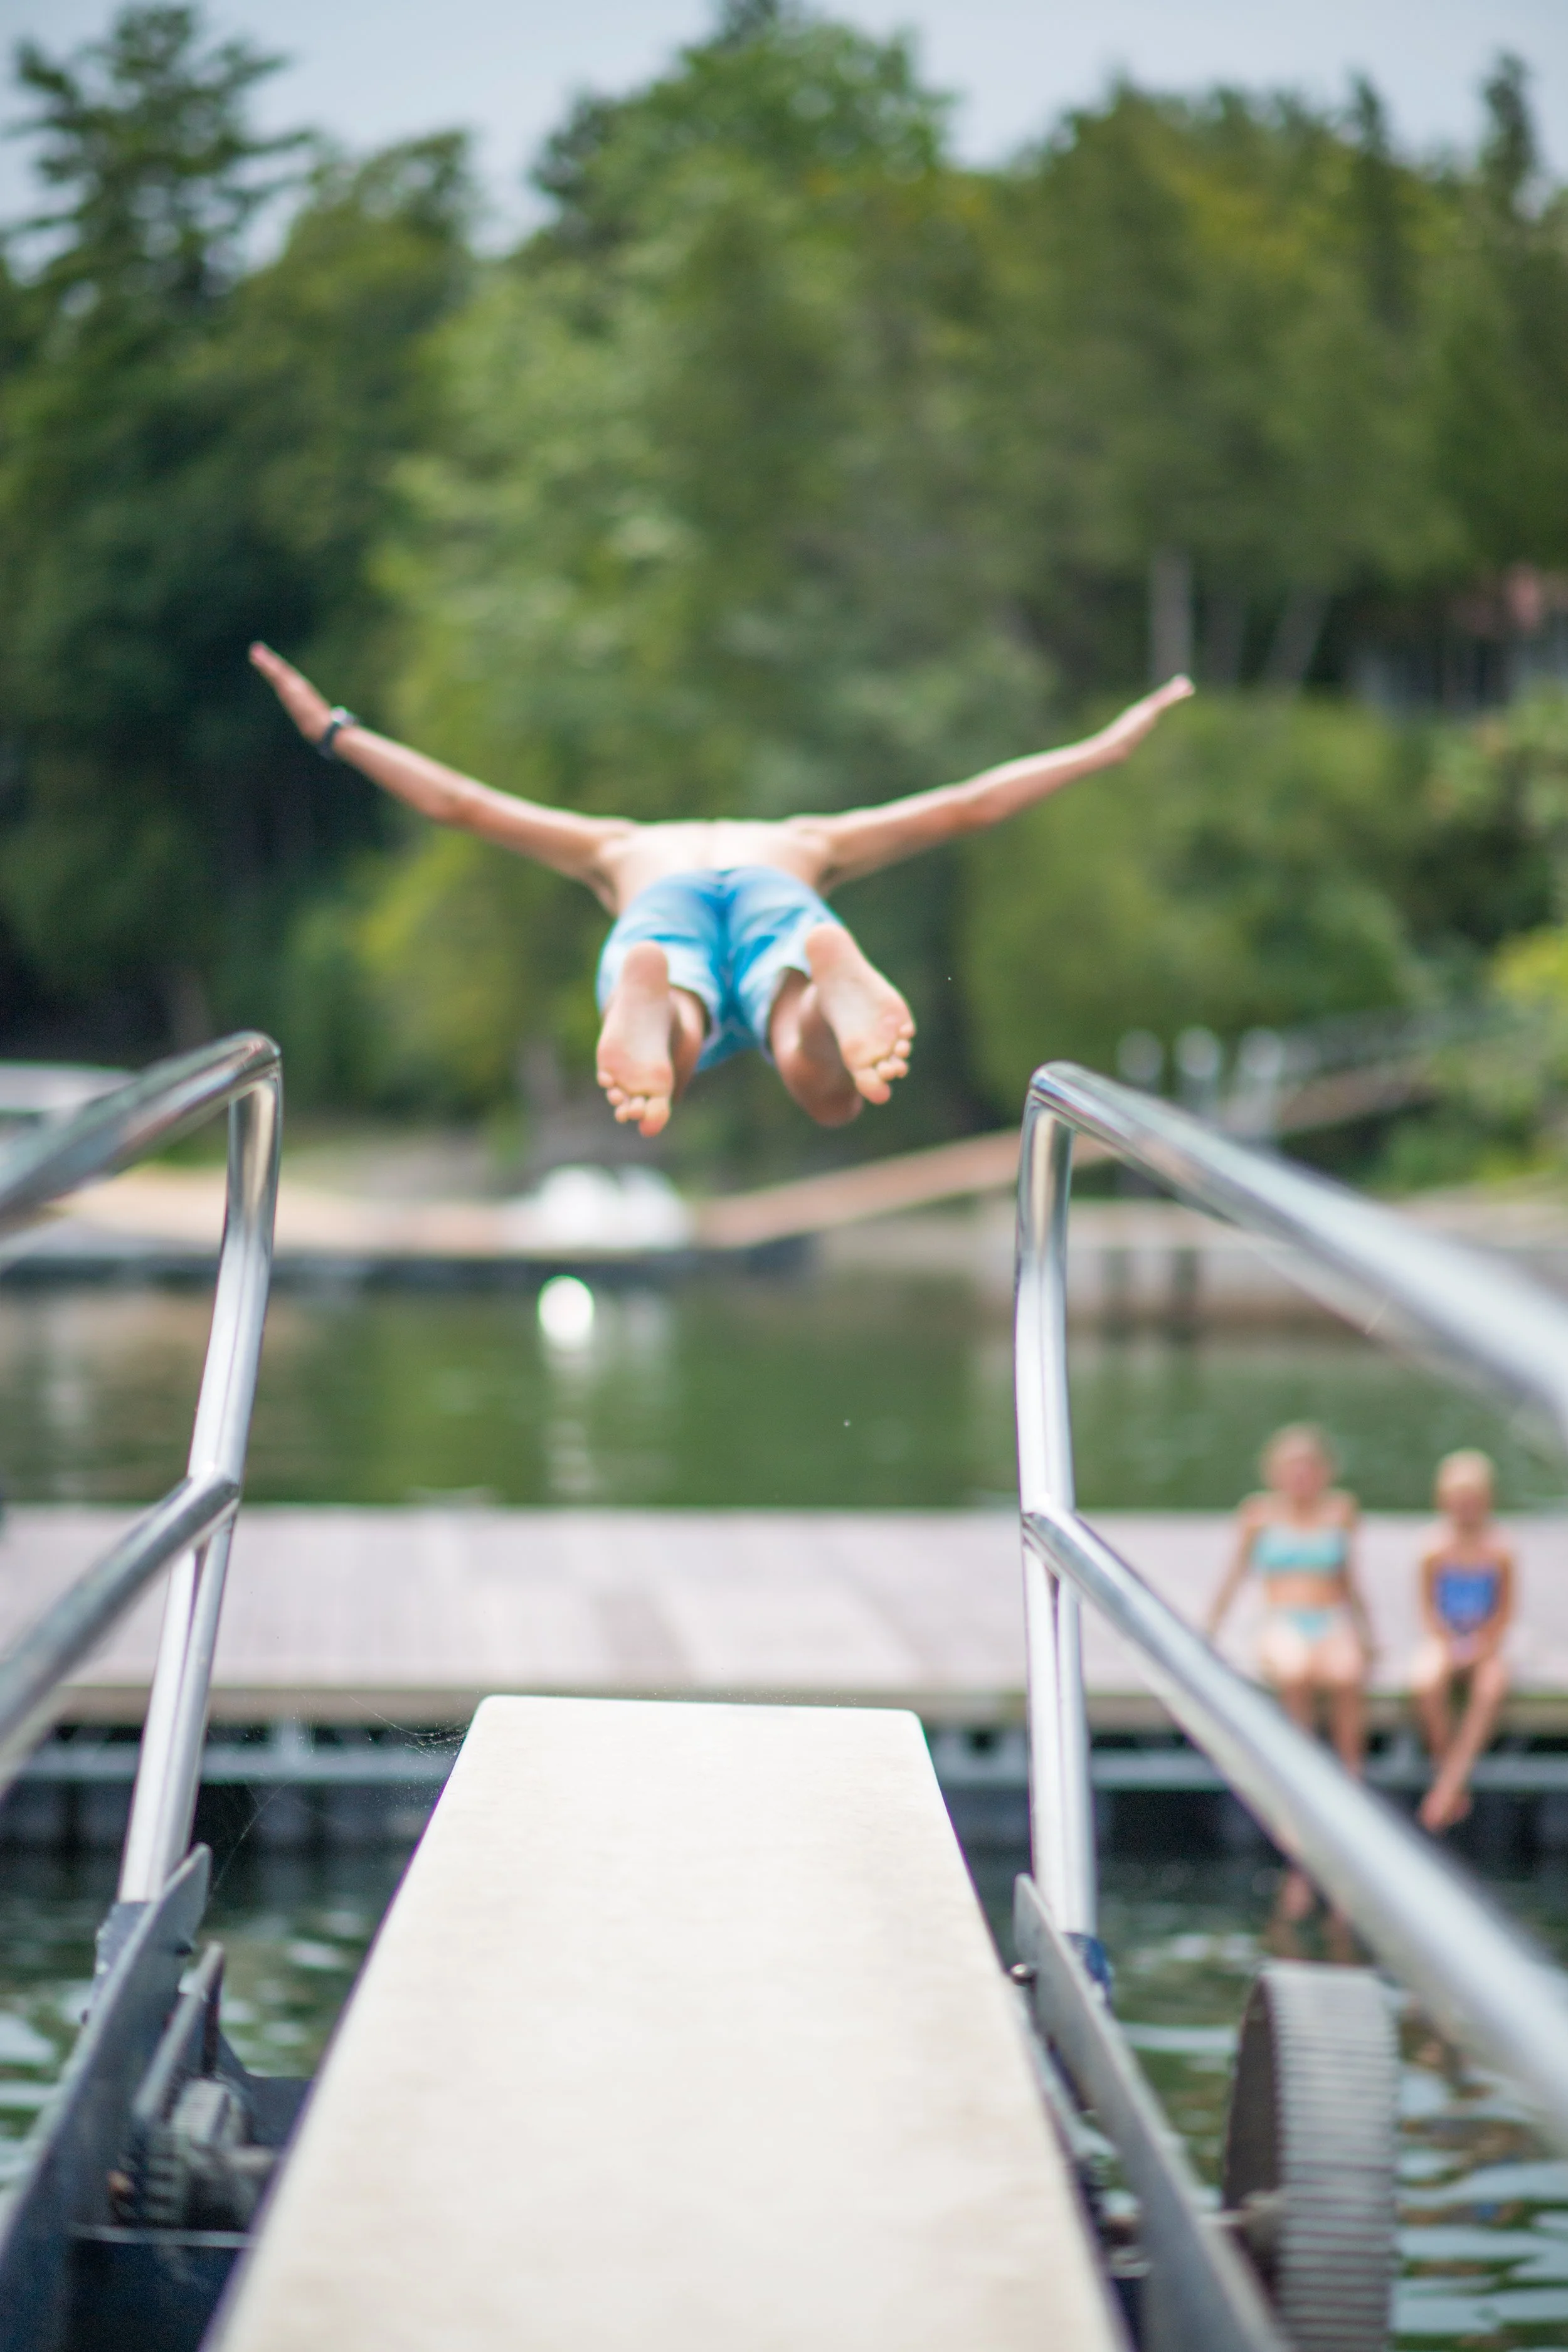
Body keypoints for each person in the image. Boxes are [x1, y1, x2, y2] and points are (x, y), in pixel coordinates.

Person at [249, 643, 1194, 1136]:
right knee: (817, 1075)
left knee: (680, 1043)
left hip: (655, 908)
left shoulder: (617, 845)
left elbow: (462, 803)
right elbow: (964, 806)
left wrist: (334, 730)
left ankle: (654, 1002)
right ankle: (823, 992)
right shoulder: (807, 839)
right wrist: (1101, 748)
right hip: (784, 897)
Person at [1207, 1423, 1373, 1919]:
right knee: (1298, 1672)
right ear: (1276, 1472)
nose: (1302, 1477)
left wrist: (1366, 1633)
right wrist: (1208, 1634)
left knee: (1346, 1674)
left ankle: (1352, 1793)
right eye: (1292, 1468)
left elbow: (1349, 1580)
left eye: (1310, 1468)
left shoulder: (1340, 1511)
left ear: (1324, 1471)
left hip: (1328, 1619)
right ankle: (1302, 1799)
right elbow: (1234, 1578)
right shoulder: (1259, 1515)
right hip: (1283, 1619)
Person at [1411, 1449, 1515, 1833]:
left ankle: (1450, 1784)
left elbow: (1504, 1612)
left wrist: (1481, 1646)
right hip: (1446, 1636)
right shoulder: (1433, 1549)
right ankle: (1447, 1769)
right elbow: (1427, 1610)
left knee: (1490, 1688)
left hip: (1485, 1640)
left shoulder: (1500, 1550)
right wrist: (1450, 1643)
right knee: (1426, 1681)